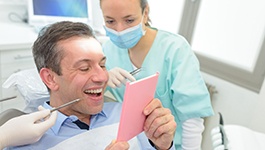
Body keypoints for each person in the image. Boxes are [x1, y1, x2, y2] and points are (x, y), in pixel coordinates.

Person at [7, 21, 176, 150]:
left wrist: (162, 146)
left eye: (102, 65)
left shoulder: (125, 113)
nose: (103, 77)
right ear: (50, 78)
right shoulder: (26, 141)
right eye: (84, 68)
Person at [99, 0, 214, 149]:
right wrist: (104, 79)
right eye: (110, 21)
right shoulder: (108, 50)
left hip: (171, 144)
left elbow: (192, 118)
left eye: (129, 20)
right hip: (132, 142)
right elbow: (93, 98)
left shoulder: (174, 49)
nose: (120, 30)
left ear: (145, 13)